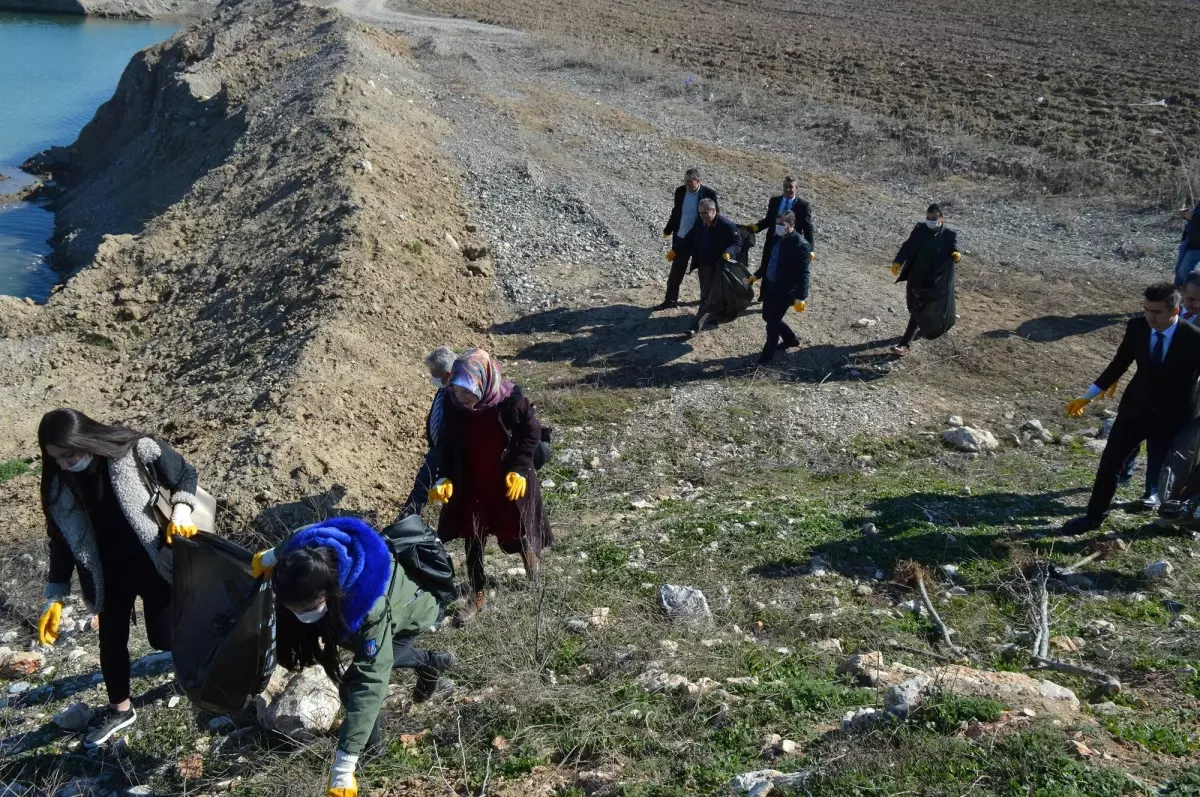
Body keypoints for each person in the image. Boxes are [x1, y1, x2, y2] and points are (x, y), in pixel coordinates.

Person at [251, 517, 452, 797]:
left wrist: (344, 766)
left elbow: (370, 680)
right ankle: (430, 663)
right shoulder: (303, 555)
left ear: (330, 592)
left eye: (307, 607)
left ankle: (373, 752)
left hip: (415, 608)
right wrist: (269, 557)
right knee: (376, 652)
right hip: (372, 612)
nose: (300, 615)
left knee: (353, 683)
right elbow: (299, 531)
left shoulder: (369, 606)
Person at [35, 408, 200, 747]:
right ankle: (120, 708)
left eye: (70, 455)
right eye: (57, 459)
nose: (66, 464)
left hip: (155, 561)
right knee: (110, 641)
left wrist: (182, 510)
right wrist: (56, 596)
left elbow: (184, 474)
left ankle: (202, 657)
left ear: (86, 439)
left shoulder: (135, 449)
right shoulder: (58, 483)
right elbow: (61, 541)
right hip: (106, 574)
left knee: (164, 639)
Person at [427, 349, 551, 626]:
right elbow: (446, 443)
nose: (461, 399)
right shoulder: (453, 403)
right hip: (472, 480)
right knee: (473, 534)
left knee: (515, 524)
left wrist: (519, 470)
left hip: (506, 478)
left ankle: (530, 561)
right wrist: (443, 477)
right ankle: (477, 593)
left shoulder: (510, 400)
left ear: (483, 383)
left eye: (466, 393)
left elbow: (531, 434)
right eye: (457, 392)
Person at [1062, 283, 1200, 531]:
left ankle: (1179, 519)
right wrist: (1088, 395)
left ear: (1175, 311)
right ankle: (1094, 516)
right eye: (1146, 309)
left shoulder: (1194, 338)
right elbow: (1119, 364)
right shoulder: (1136, 327)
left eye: (1156, 312)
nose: (1149, 316)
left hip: (1175, 416)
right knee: (1111, 462)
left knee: (1175, 473)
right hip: (1136, 409)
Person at [888, 204, 961, 356]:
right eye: (928, 218)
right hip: (915, 276)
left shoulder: (948, 235)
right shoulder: (920, 230)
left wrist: (956, 255)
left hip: (931, 281)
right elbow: (907, 247)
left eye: (934, 218)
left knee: (917, 310)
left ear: (941, 218)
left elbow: (954, 249)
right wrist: (898, 262)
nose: (930, 221)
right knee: (911, 305)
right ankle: (922, 326)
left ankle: (904, 344)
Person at [670, 198, 741, 335]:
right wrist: (675, 250)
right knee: (708, 293)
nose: (702, 216)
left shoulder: (726, 225)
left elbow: (738, 243)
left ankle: (694, 327)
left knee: (705, 297)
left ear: (713, 211)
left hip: (718, 267)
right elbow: (689, 237)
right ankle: (720, 315)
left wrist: (728, 252)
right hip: (703, 265)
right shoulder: (700, 222)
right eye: (700, 213)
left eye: (704, 213)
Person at [400, 347, 457, 517]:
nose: (432, 377)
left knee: (424, 484)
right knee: (423, 483)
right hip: (438, 447)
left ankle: (407, 520)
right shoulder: (444, 390)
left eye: (434, 373)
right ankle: (408, 519)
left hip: (447, 450)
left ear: (447, 374)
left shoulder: (458, 396)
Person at [655, 168, 719, 311]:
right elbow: (676, 211)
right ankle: (670, 300)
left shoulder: (709, 194)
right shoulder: (680, 191)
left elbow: (715, 217)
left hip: (700, 241)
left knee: (704, 273)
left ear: (698, 181)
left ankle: (707, 301)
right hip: (681, 238)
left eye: (690, 182)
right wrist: (668, 229)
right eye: (685, 182)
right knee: (676, 271)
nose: (687, 185)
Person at [756, 210, 812, 365]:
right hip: (770, 286)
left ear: (791, 225)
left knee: (772, 323)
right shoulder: (776, 238)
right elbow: (769, 261)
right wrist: (756, 275)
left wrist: (801, 296)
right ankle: (790, 339)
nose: (778, 227)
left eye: (782, 224)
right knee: (767, 316)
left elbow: (804, 273)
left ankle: (766, 357)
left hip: (784, 290)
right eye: (777, 223)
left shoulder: (801, 245)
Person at [747, 175, 814, 289]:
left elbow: (808, 228)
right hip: (773, 239)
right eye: (785, 186)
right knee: (767, 265)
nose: (787, 189)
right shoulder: (774, 201)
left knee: (785, 269)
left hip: (790, 244)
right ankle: (764, 295)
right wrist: (756, 227)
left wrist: (811, 249)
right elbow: (769, 220)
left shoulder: (803, 205)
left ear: (796, 188)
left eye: (791, 187)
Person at [1173, 202, 1200, 287]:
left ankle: (1186, 294)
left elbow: (1196, 218)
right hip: (1188, 240)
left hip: (1197, 245)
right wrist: (1187, 216)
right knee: (1178, 269)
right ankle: (1176, 292)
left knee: (1184, 272)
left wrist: (1192, 216)